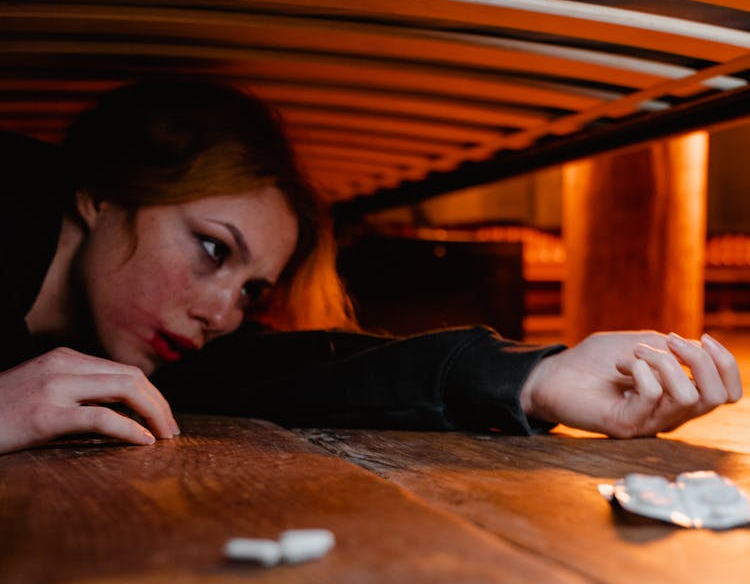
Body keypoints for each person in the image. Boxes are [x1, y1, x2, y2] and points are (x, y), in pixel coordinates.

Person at [0, 78, 741, 456]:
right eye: (212, 249)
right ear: (99, 194)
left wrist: (537, 378)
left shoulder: (156, 343)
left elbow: (302, 368)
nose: (223, 311)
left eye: (252, 290)